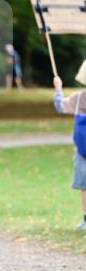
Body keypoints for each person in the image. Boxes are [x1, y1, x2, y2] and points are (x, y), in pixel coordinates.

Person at [53, 61, 86, 231]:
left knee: (85, 186)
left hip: (83, 148)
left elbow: (60, 106)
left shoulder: (79, 97)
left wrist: (58, 88)